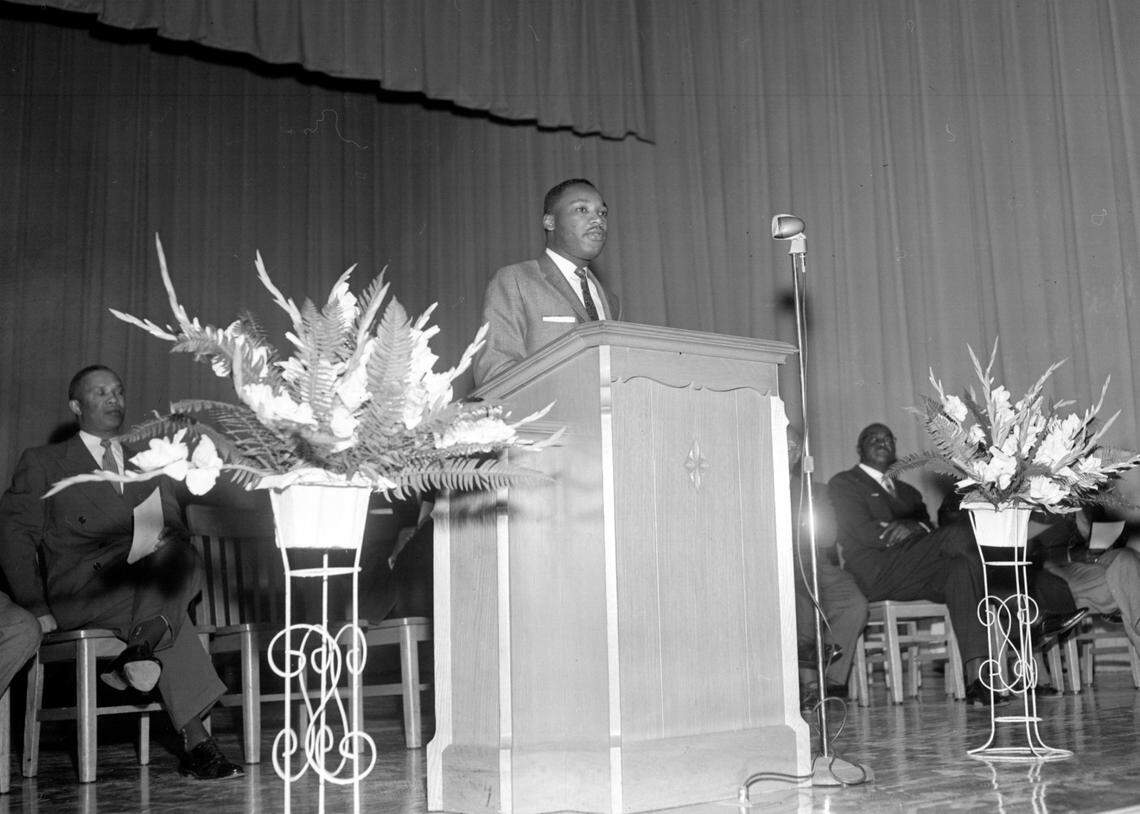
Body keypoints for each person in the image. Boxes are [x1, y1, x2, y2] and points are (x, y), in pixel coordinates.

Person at [0, 365, 242, 780]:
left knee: (181, 556)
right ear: (76, 406)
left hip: (145, 579)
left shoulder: (146, 460)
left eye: (118, 392)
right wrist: (35, 603)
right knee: (170, 609)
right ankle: (195, 737)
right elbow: (14, 533)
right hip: (84, 590)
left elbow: (173, 525)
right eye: (100, 393)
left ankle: (142, 652)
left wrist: (161, 537)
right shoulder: (44, 462)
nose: (114, 400)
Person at [827, 423, 1086, 706]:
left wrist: (913, 526)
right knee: (959, 535)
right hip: (875, 572)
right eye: (873, 438)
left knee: (962, 568)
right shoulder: (844, 483)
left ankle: (977, 680)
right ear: (859, 448)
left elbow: (925, 526)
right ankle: (1021, 621)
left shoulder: (909, 492)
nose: (882, 442)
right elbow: (864, 532)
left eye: (888, 438)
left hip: (914, 569)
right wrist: (913, 529)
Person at [473, 178, 620, 387]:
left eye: (602, 212)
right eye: (582, 209)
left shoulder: (611, 301)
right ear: (549, 222)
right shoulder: (515, 281)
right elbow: (495, 373)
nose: (598, 220)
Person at [787, 427, 868, 710]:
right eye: (784, 444)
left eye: (795, 447)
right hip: (775, 567)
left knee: (854, 603)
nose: (790, 451)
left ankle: (830, 683)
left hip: (813, 561)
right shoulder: (752, 485)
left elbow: (826, 536)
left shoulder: (814, 491)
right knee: (802, 592)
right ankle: (809, 684)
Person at [1036, 507, 1140, 656]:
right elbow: (1032, 552)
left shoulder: (1093, 499)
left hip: (1097, 565)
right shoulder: (1042, 502)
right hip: (1057, 571)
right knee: (1128, 581)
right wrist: (1072, 555)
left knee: (1127, 559)